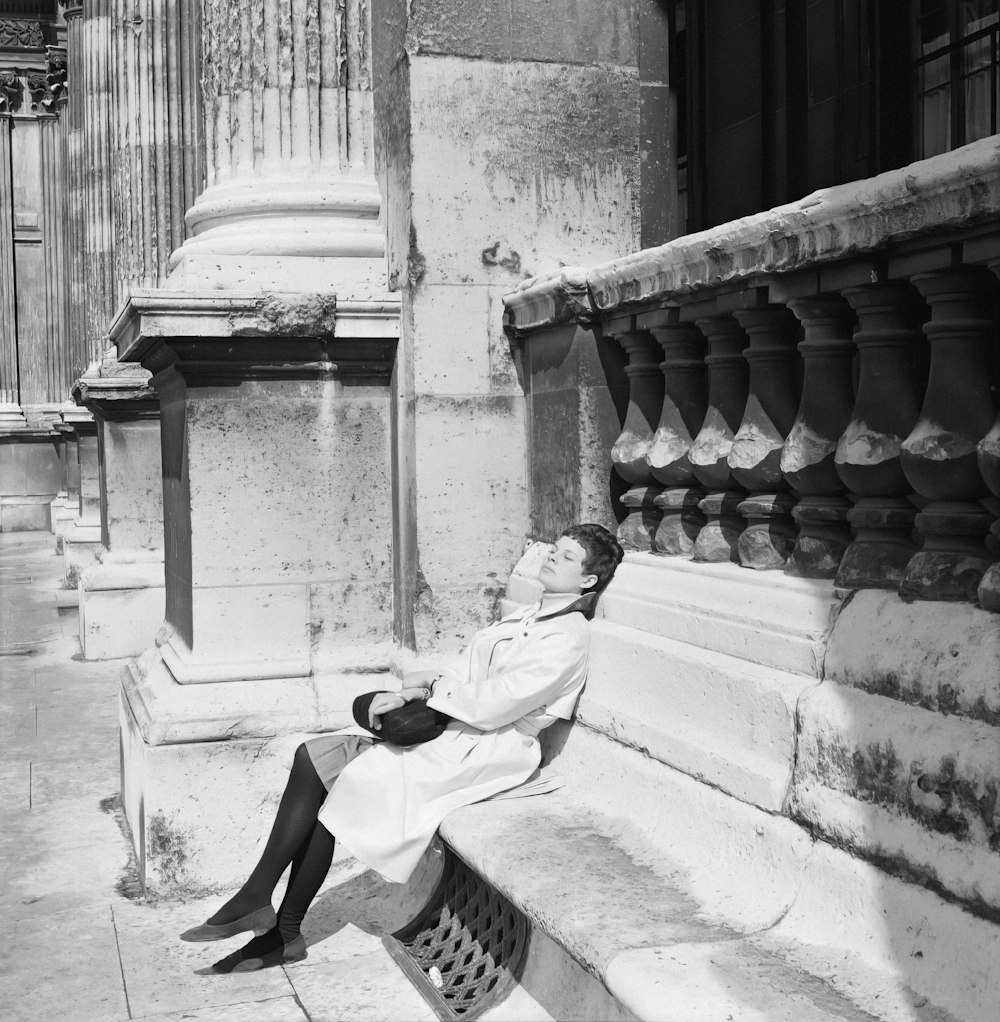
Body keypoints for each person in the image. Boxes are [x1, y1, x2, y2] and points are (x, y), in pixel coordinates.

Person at [180, 523, 624, 973]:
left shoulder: (567, 636)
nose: (551, 557)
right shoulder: (526, 617)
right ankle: (273, 921)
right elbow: (461, 672)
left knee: (319, 766)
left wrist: (429, 691)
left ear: (588, 581)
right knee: (319, 766)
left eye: (567, 557)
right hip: (458, 729)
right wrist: (415, 694)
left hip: (489, 748)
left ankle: (268, 913)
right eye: (556, 549)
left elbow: (494, 706)